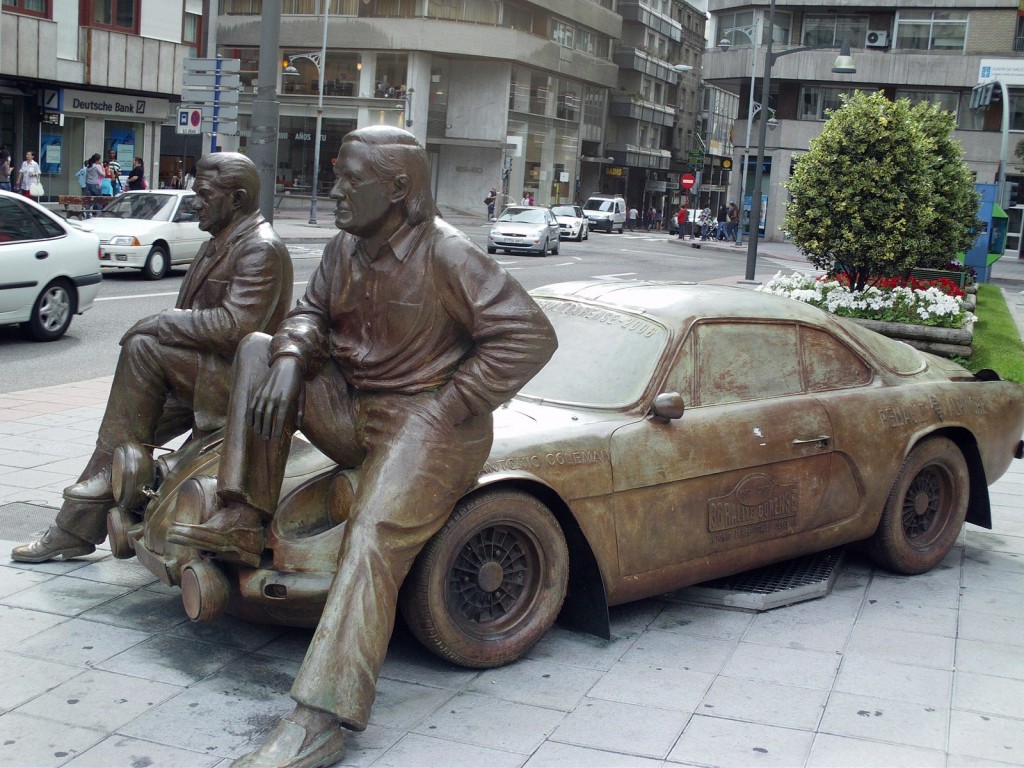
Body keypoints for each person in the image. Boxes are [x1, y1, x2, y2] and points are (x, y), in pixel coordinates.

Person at [166, 126, 557, 768]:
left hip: (427, 425)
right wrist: (293, 356)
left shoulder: (449, 255)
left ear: (398, 189)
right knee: (260, 349)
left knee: (371, 535)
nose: (337, 190)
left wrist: (450, 405)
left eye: (352, 179)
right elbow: (308, 315)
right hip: (352, 410)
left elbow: (529, 336)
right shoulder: (345, 248)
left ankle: (320, 715)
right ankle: (240, 519)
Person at [11, 152, 294, 564]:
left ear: (235, 199)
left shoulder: (259, 248)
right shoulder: (221, 240)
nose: (195, 202)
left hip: (233, 384)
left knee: (142, 350)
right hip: (197, 377)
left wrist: (163, 321)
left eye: (204, 194)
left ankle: (91, 521)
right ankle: (73, 530)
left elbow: (235, 327)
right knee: (117, 447)